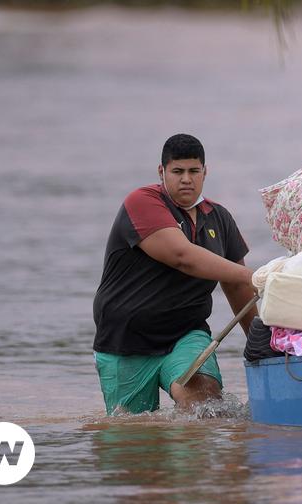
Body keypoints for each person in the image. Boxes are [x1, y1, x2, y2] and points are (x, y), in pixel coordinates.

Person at [92, 133, 258, 415]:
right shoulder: (142, 202)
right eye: (177, 171)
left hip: (186, 334)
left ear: (205, 172)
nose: (186, 179)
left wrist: (262, 342)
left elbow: (237, 285)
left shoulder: (220, 218)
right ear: (162, 172)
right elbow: (183, 257)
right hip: (125, 339)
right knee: (133, 439)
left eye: (194, 171)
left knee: (205, 407)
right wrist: (258, 275)